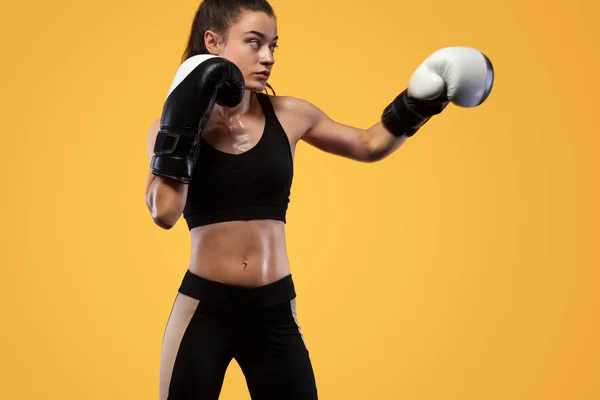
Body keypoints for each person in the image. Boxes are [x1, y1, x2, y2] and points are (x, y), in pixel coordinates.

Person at [144, 1, 494, 399]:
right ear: (213, 42)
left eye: (273, 46)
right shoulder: (169, 127)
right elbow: (165, 212)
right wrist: (182, 120)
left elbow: (368, 144)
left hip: (273, 308)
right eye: (255, 43)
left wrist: (422, 101)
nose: (268, 57)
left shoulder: (290, 114)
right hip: (204, 308)